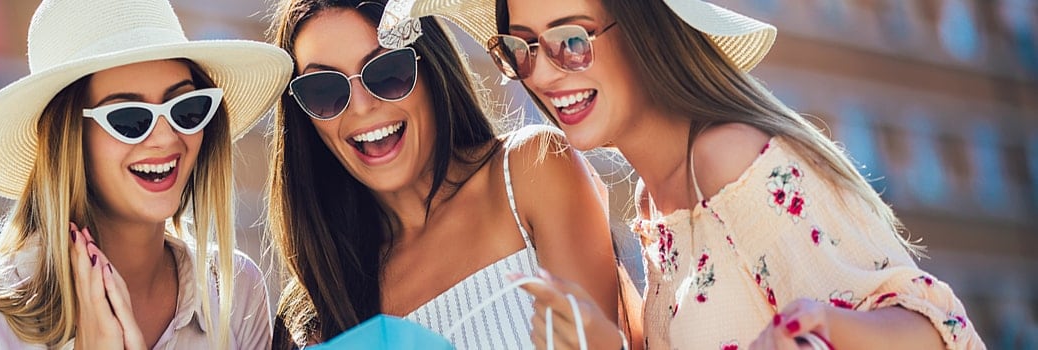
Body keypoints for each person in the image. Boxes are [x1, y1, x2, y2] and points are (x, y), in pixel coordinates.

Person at [393, 0, 985, 348]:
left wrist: (826, 325)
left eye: (572, 41)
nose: (544, 76)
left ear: (645, 28)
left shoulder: (730, 161)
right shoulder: (656, 210)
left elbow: (937, 329)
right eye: (522, 49)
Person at [0, 0, 291, 348]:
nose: (167, 137)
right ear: (69, 142)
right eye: (129, 118)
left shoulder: (236, 293)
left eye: (185, 109)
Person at [264, 0, 642, 348]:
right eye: (324, 90)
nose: (362, 107)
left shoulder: (533, 170)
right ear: (304, 117)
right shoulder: (318, 314)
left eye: (387, 71)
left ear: (429, 65)